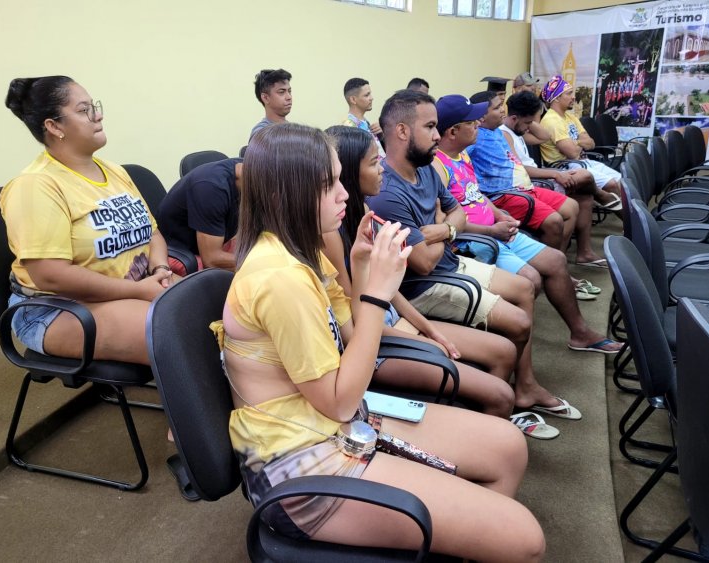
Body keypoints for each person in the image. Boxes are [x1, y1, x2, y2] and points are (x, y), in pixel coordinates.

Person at [212, 122, 545, 560]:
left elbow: (349, 336)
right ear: (283, 195)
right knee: (525, 539)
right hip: (301, 465)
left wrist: (360, 265)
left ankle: (465, 538)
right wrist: (376, 294)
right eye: (328, 184)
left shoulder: (299, 253)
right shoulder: (280, 279)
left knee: (508, 447)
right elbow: (339, 402)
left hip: (332, 423)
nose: (344, 194)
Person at [366, 89, 578, 425]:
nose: (437, 135)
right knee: (519, 322)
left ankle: (523, 386)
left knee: (526, 287)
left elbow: (457, 214)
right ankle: (492, 410)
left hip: (451, 262)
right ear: (402, 131)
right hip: (424, 286)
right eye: (430, 127)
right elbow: (423, 263)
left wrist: (440, 229)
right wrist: (444, 226)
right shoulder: (387, 193)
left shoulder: (425, 170)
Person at [324, 125, 517, 417]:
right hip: (373, 341)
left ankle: (473, 421)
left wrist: (430, 329)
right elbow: (357, 322)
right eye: (375, 163)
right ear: (351, 173)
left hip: (391, 319)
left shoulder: (363, 212)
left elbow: (388, 291)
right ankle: (477, 432)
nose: (382, 171)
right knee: (499, 394)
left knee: (504, 351)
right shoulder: (331, 235)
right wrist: (424, 341)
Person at [1, 76, 173, 365]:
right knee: (178, 333)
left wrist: (160, 268)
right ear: (54, 127)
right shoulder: (36, 185)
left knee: (225, 313)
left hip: (132, 286)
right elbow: (51, 275)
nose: (98, 115)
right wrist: (139, 290)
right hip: (55, 308)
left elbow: (153, 234)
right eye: (84, 110)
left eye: (94, 106)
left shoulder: (115, 171)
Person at [432, 94, 622, 356]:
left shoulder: (461, 156)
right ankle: (513, 359)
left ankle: (580, 334)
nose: (478, 123)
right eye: (471, 122)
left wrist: (499, 215)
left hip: (497, 230)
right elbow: (445, 224)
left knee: (555, 260)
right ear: (453, 131)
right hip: (476, 242)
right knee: (531, 280)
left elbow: (476, 194)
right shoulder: (437, 166)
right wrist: (492, 229)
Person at [501, 91, 621, 268]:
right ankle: (602, 196)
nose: (530, 126)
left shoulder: (517, 130)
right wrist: (555, 174)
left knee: (585, 196)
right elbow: (519, 169)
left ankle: (583, 253)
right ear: (514, 118)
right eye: (528, 122)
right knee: (585, 178)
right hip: (532, 181)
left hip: (539, 174)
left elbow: (544, 136)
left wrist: (528, 121)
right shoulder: (505, 134)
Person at [467, 90, 578, 254]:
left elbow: (542, 136)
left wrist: (528, 119)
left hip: (524, 189)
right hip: (502, 195)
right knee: (554, 221)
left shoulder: (496, 130)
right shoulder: (474, 136)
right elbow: (456, 158)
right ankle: (551, 270)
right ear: (481, 117)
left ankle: (558, 262)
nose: (503, 111)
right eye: (497, 108)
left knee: (572, 207)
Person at [539, 75, 622, 202]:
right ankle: (630, 220)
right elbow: (572, 153)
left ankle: (631, 217)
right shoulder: (551, 120)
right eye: (569, 93)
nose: (573, 97)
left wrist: (575, 143)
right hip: (566, 167)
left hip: (583, 161)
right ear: (556, 98)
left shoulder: (570, 117)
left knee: (621, 182)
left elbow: (591, 143)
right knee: (612, 185)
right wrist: (579, 143)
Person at [156, 158, 243, 272]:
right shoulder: (211, 188)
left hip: (219, 240)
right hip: (180, 252)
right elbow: (211, 260)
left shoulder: (251, 168)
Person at [341, 77, 385, 157]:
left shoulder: (364, 122)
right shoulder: (349, 128)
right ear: (353, 99)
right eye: (367, 95)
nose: (371, 98)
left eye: (370, 94)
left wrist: (381, 135)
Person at [249, 68, 292, 141]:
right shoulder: (260, 133)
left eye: (289, 91)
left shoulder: (294, 130)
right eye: (281, 92)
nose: (289, 97)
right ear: (265, 98)